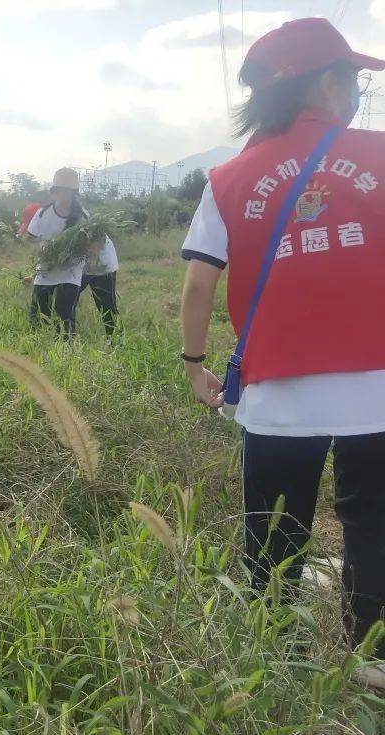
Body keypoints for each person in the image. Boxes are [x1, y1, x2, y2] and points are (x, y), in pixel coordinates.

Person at [179, 19, 385, 685]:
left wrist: (193, 363)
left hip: (276, 398)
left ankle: (274, 668)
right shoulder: (379, 155)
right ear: (325, 83)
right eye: (351, 78)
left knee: (275, 530)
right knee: (374, 525)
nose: (356, 90)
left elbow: (198, 281)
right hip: (379, 389)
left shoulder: (230, 176)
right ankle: (372, 659)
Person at [25, 168, 119, 336]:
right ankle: (48, 345)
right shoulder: (43, 214)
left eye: (67, 192)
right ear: (54, 192)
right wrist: (35, 272)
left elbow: (93, 247)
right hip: (63, 264)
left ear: (74, 193)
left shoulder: (83, 216)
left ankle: (115, 341)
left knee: (104, 307)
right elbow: (33, 241)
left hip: (97, 264)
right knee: (41, 310)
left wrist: (74, 258)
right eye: (60, 191)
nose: (63, 196)